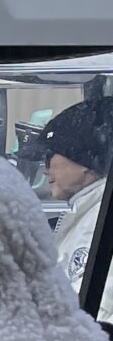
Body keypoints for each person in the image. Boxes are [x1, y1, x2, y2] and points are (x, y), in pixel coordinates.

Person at [39, 98, 113, 318]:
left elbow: (95, 314)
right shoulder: (89, 212)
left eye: (49, 157)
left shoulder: (100, 222)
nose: (45, 170)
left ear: (85, 160)